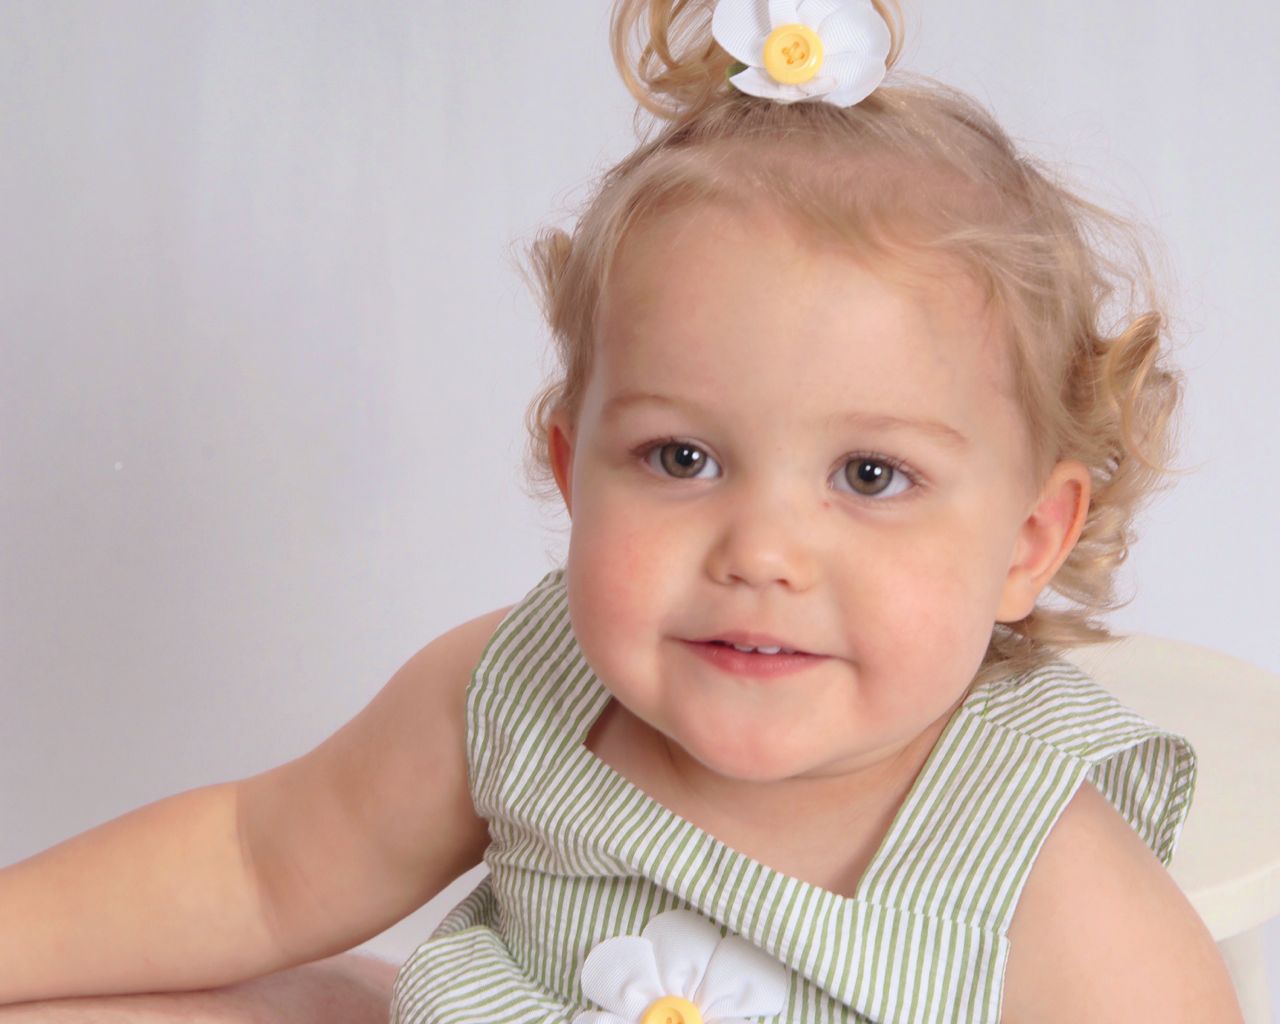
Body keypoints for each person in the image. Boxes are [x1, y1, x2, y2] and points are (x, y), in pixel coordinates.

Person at [0, 0, 1246, 1021]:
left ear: (1028, 542)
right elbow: (259, 864)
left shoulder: (1038, 867)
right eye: (681, 457)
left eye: (869, 476)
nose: (760, 552)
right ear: (570, 467)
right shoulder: (518, 692)